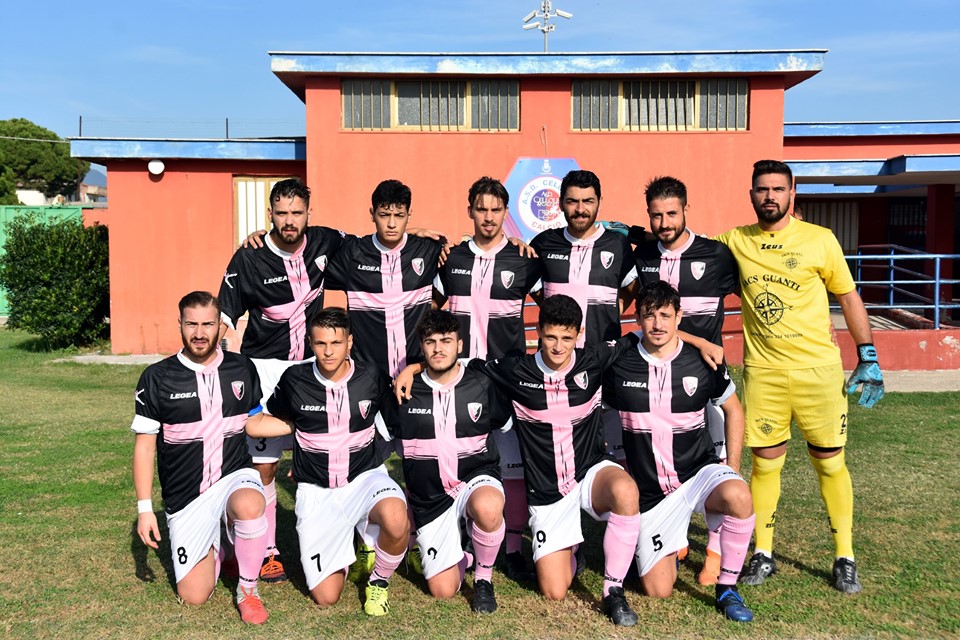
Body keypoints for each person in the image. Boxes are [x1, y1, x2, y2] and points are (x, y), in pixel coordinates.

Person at [404, 295, 642, 626]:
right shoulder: (517, 371)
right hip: (548, 494)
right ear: (537, 331)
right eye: (550, 337)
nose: (558, 347)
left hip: (591, 472)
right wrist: (414, 367)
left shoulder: (594, 360)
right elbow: (459, 362)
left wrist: (700, 342)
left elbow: (645, 335)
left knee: (626, 492)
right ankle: (570, 550)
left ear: (579, 334)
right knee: (555, 590)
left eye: (567, 338)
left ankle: (613, 591)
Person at [716, 160, 885, 594]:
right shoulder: (735, 241)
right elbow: (686, 248)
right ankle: (764, 553)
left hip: (818, 373)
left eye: (777, 188)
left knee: (830, 464)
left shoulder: (820, 239)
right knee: (765, 465)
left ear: (793, 192)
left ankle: (844, 557)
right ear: (750, 194)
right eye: (761, 189)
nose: (769, 196)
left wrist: (867, 356)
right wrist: (632, 236)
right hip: (765, 373)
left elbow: (848, 297)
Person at [603, 281, 755, 622]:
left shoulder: (702, 361)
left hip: (697, 474)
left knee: (739, 495)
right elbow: (606, 417)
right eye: (649, 316)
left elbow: (734, 410)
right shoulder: (620, 364)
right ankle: (665, 548)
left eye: (665, 315)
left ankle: (727, 587)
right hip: (651, 494)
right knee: (658, 590)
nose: (657, 324)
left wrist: (731, 468)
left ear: (679, 317)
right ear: (638, 319)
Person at [219, 177, 347, 583]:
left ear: (310, 212)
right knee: (265, 465)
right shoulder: (249, 258)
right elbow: (225, 316)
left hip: (313, 368)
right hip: (265, 370)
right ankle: (270, 548)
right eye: (282, 213)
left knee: (329, 458)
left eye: (297, 212)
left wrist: (415, 232)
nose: (289, 221)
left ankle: (343, 535)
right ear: (269, 214)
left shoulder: (328, 242)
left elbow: (378, 240)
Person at [245, 307, 410, 616]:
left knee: (396, 516)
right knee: (326, 597)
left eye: (336, 343)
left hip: (363, 479)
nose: (328, 351)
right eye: (321, 343)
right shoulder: (294, 379)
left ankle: (378, 581)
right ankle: (352, 543)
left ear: (350, 343)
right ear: (310, 342)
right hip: (317, 492)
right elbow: (263, 422)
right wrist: (254, 412)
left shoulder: (371, 376)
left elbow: (395, 423)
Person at [132, 291, 270, 624]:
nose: (199, 332)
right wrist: (144, 510)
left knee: (251, 504)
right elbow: (145, 446)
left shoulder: (242, 368)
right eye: (191, 324)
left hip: (233, 477)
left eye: (207, 324)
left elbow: (254, 422)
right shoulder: (157, 378)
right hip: (186, 496)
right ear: (179, 324)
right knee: (194, 596)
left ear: (219, 325)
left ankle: (248, 590)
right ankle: (222, 547)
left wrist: (304, 424)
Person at [631, 176, 739, 585]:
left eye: (671, 213)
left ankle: (714, 551)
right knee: (659, 459)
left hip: (705, 379)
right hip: (655, 375)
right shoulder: (642, 256)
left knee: (712, 463)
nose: (664, 222)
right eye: (656, 215)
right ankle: (673, 533)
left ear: (686, 210)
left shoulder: (716, 255)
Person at [433, 176, 542, 581]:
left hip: (506, 373)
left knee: (511, 459)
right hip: (457, 376)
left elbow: (555, 309)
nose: (489, 217)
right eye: (482, 209)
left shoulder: (523, 261)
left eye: (497, 210)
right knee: (459, 452)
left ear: (506, 213)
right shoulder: (453, 258)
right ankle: (460, 532)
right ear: (470, 211)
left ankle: (513, 546)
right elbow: (428, 305)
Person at [383, 310, 511, 613]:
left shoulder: (482, 383)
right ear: (422, 347)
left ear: (460, 345)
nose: (439, 349)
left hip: (474, 479)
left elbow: (504, 427)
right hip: (430, 498)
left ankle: (483, 579)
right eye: (431, 342)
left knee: (488, 506)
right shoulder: (404, 392)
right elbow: (376, 441)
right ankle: (462, 548)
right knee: (443, 590)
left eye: (446, 341)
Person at [323, 179, 444, 380]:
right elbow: (305, 257)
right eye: (384, 215)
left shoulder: (429, 249)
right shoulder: (353, 254)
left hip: (418, 377)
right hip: (365, 379)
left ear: (409, 215)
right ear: (372, 214)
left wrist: (512, 242)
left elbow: (464, 267)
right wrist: (267, 239)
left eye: (399, 216)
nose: (391, 224)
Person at [530, 169, 638, 348]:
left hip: (604, 356)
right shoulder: (543, 242)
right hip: (556, 357)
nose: (580, 210)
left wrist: (613, 311)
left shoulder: (617, 243)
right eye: (572, 201)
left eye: (588, 201)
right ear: (561, 203)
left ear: (599, 203)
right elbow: (529, 284)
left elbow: (633, 288)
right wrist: (551, 308)